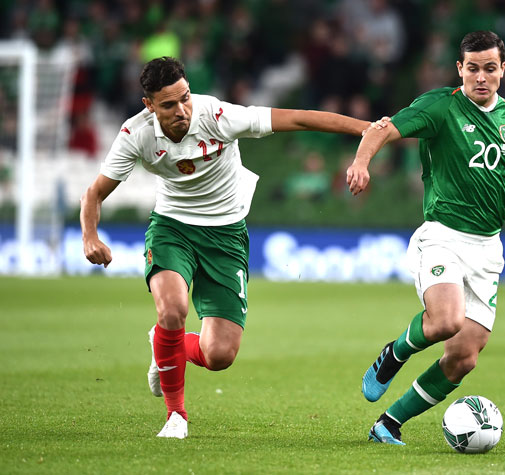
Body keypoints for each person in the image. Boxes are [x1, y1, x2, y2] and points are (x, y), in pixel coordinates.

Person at [80, 57, 382, 439]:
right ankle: (176, 416)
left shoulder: (218, 116)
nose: (182, 110)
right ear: (149, 106)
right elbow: (95, 192)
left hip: (226, 236)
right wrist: (90, 236)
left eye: (185, 98)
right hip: (173, 229)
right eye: (169, 104)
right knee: (173, 309)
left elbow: (300, 118)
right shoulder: (135, 135)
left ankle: (164, 345)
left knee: (219, 356)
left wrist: (367, 129)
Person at [345, 31, 505, 446]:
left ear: (503, 70)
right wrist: (362, 162)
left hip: (488, 249)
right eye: (472, 68)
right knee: (446, 321)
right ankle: (393, 354)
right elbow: (382, 129)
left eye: (489, 68)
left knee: (464, 356)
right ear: (459, 69)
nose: (480, 77)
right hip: (443, 236)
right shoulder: (439, 106)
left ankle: (388, 425)